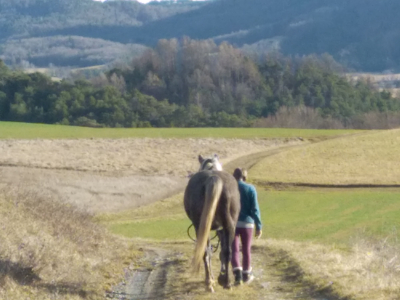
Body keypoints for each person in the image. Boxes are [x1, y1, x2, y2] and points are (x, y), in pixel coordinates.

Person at [231, 168, 262, 285]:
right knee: (246, 250)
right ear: (245, 176)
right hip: (247, 224)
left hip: (232, 223)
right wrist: (259, 225)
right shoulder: (250, 189)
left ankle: (237, 273)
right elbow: (255, 209)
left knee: (234, 249)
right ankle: (246, 274)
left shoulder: (230, 188)